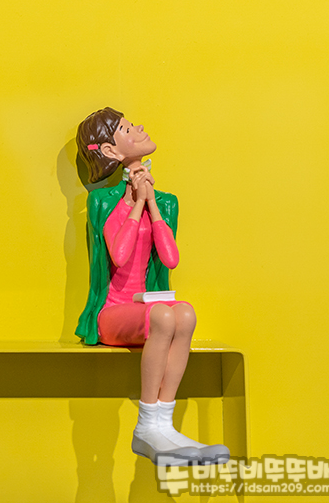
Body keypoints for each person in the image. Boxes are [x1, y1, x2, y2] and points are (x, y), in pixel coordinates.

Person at [75, 107, 228, 466]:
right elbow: (120, 255)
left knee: (185, 314)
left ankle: (163, 425)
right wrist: (136, 201)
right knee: (162, 315)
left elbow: (170, 258)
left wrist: (153, 204)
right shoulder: (103, 201)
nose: (139, 128)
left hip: (146, 305)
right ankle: (146, 426)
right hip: (113, 311)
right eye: (127, 129)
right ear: (110, 151)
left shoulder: (166, 202)